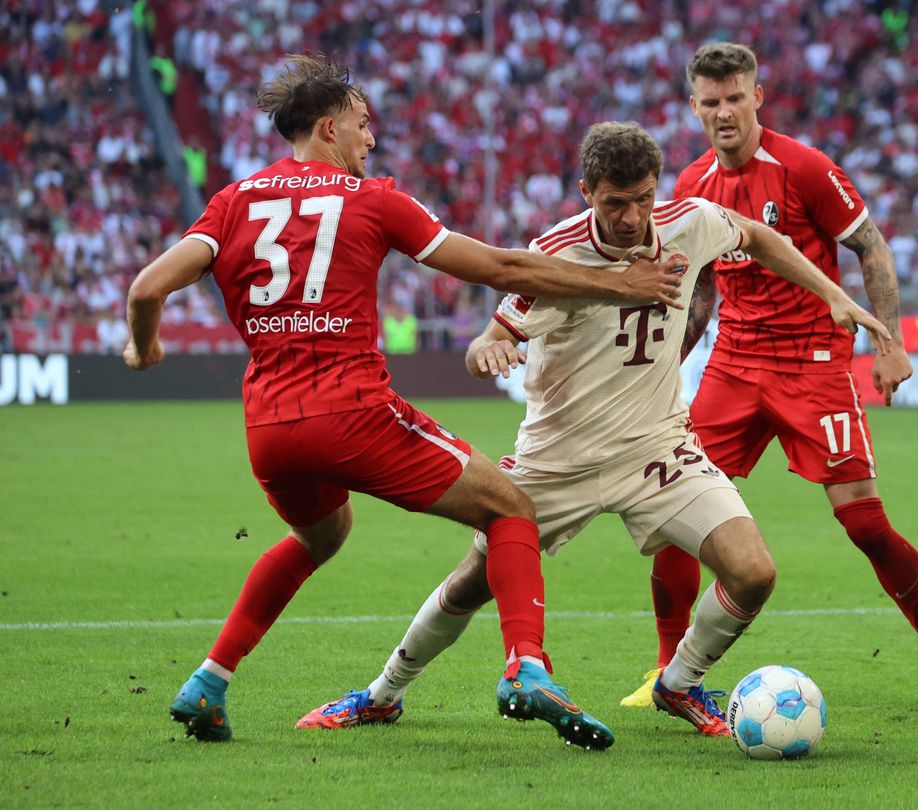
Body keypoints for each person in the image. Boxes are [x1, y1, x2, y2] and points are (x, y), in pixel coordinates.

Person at [123, 54, 687, 747]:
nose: (373, 139)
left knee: (319, 536)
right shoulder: (373, 198)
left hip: (268, 425)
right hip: (354, 411)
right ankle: (526, 668)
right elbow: (502, 268)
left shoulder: (233, 202)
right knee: (511, 507)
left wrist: (144, 348)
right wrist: (623, 286)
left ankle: (209, 681)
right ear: (328, 128)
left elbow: (146, 289)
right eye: (363, 125)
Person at [296, 122, 891, 739]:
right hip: (558, 459)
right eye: (615, 203)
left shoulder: (688, 221)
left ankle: (679, 683)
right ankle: (381, 693)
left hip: (657, 448)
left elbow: (761, 236)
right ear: (586, 191)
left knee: (753, 572)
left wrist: (831, 294)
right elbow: (492, 337)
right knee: (473, 584)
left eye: (643, 198)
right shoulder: (554, 253)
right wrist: (489, 351)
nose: (634, 217)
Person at [620, 43, 918, 711]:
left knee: (865, 523)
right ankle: (668, 672)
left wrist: (891, 344)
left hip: (814, 362)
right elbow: (699, 291)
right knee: (674, 516)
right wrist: (667, 363)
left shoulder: (806, 167)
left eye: (734, 98)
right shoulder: (693, 185)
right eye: (710, 101)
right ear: (693, 108)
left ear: (757, 97)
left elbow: (869, 245)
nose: (724, 112)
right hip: (732, 363)